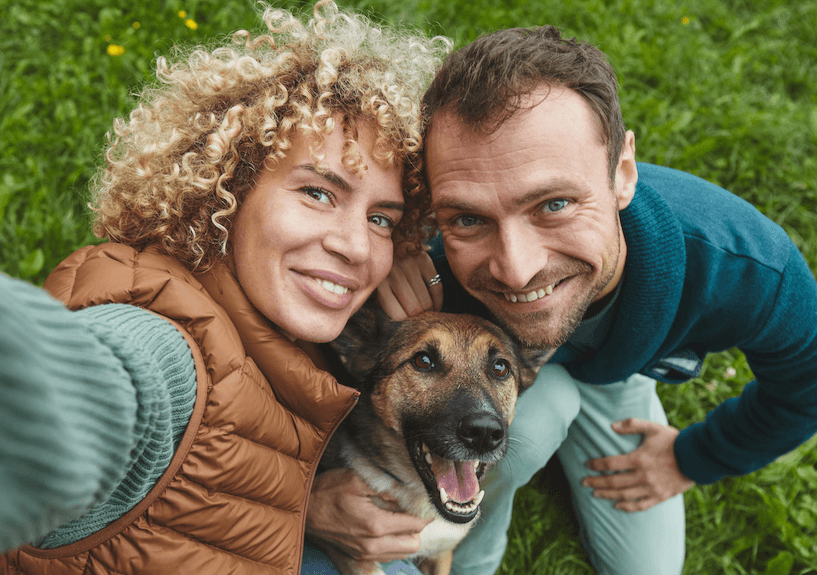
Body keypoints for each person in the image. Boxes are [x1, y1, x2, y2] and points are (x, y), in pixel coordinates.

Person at [0, 2, 449, 574]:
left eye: (382, 219)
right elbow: (65, 394)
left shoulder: (297, 329)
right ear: (228, 190)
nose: (358, 248)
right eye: (317, 193)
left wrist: (305, 509)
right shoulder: (164, 348)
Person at [308, 25, 817, 575]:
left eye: (553, 204)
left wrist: (691, 457)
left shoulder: (745, 268)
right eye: (470, 218)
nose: (517, 269)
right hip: (498, 375)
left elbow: (807, 385)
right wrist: (392, 244)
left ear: (622, 172)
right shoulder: (415, 264)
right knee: (537, 422)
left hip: (621, 364)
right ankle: (471, 553)